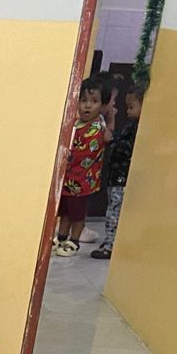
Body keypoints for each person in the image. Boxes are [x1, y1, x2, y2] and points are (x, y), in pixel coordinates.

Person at [53, 78, 109, 258]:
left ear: (102, 105)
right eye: (83, 100)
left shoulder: (96, 128)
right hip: (68, 180)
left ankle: (74, 241)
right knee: (65, 212)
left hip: (81, 182)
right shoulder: (76, 124)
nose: (87, 105)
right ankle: (61, 237)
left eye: (94, 101)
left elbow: (82, 154)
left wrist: (63, 155)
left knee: (77, 215)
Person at [92, 83, 141, 261]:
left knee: (114, 210)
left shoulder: (137, 130)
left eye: (131, 107)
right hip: (116, 176)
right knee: (113, 207)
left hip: (122, 177)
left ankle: (111, 245)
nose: (127, 111)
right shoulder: (131, 126)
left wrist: (111, 140)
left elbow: (124, 149)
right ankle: (110, 241)